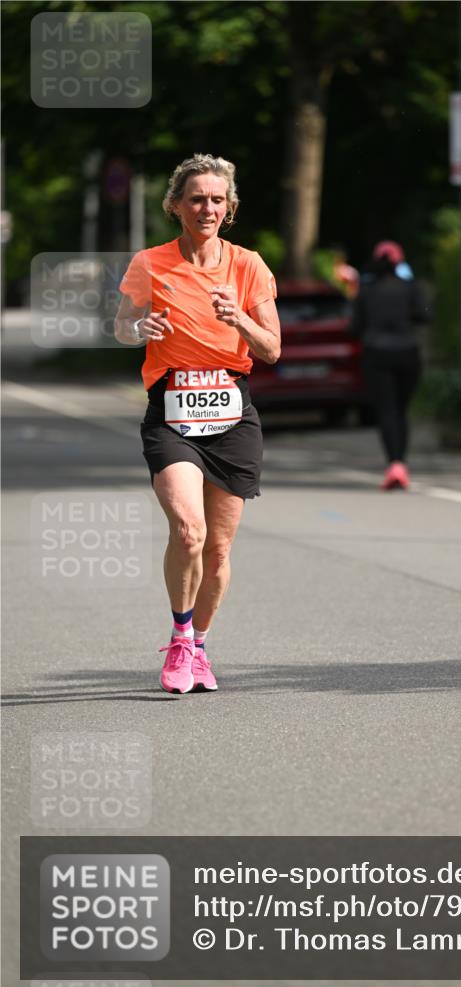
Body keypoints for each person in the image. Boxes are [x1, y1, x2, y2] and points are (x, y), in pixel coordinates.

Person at [114, 153, 280, 694]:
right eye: (196, 199)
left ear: (228, 208)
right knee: (189, 531)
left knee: (217, 551)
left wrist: (241, 320)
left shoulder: (248, 265)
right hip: (172, 412)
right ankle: (180, 639)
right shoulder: (150, 263)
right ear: (176, 206)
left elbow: (273, 349)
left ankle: (201, 646)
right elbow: (121, 329)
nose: (206, 207)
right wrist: (142, 325)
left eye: (216, 199)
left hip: (232, 415)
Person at [353, 241, 429, 489]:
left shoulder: (366, 290)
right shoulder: (411, 287)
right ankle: (401, 462)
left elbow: (354, 327)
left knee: (387, 411)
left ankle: (394, 464)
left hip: (377, 354)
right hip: (408, 353)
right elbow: (424, 316)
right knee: (401, 410)